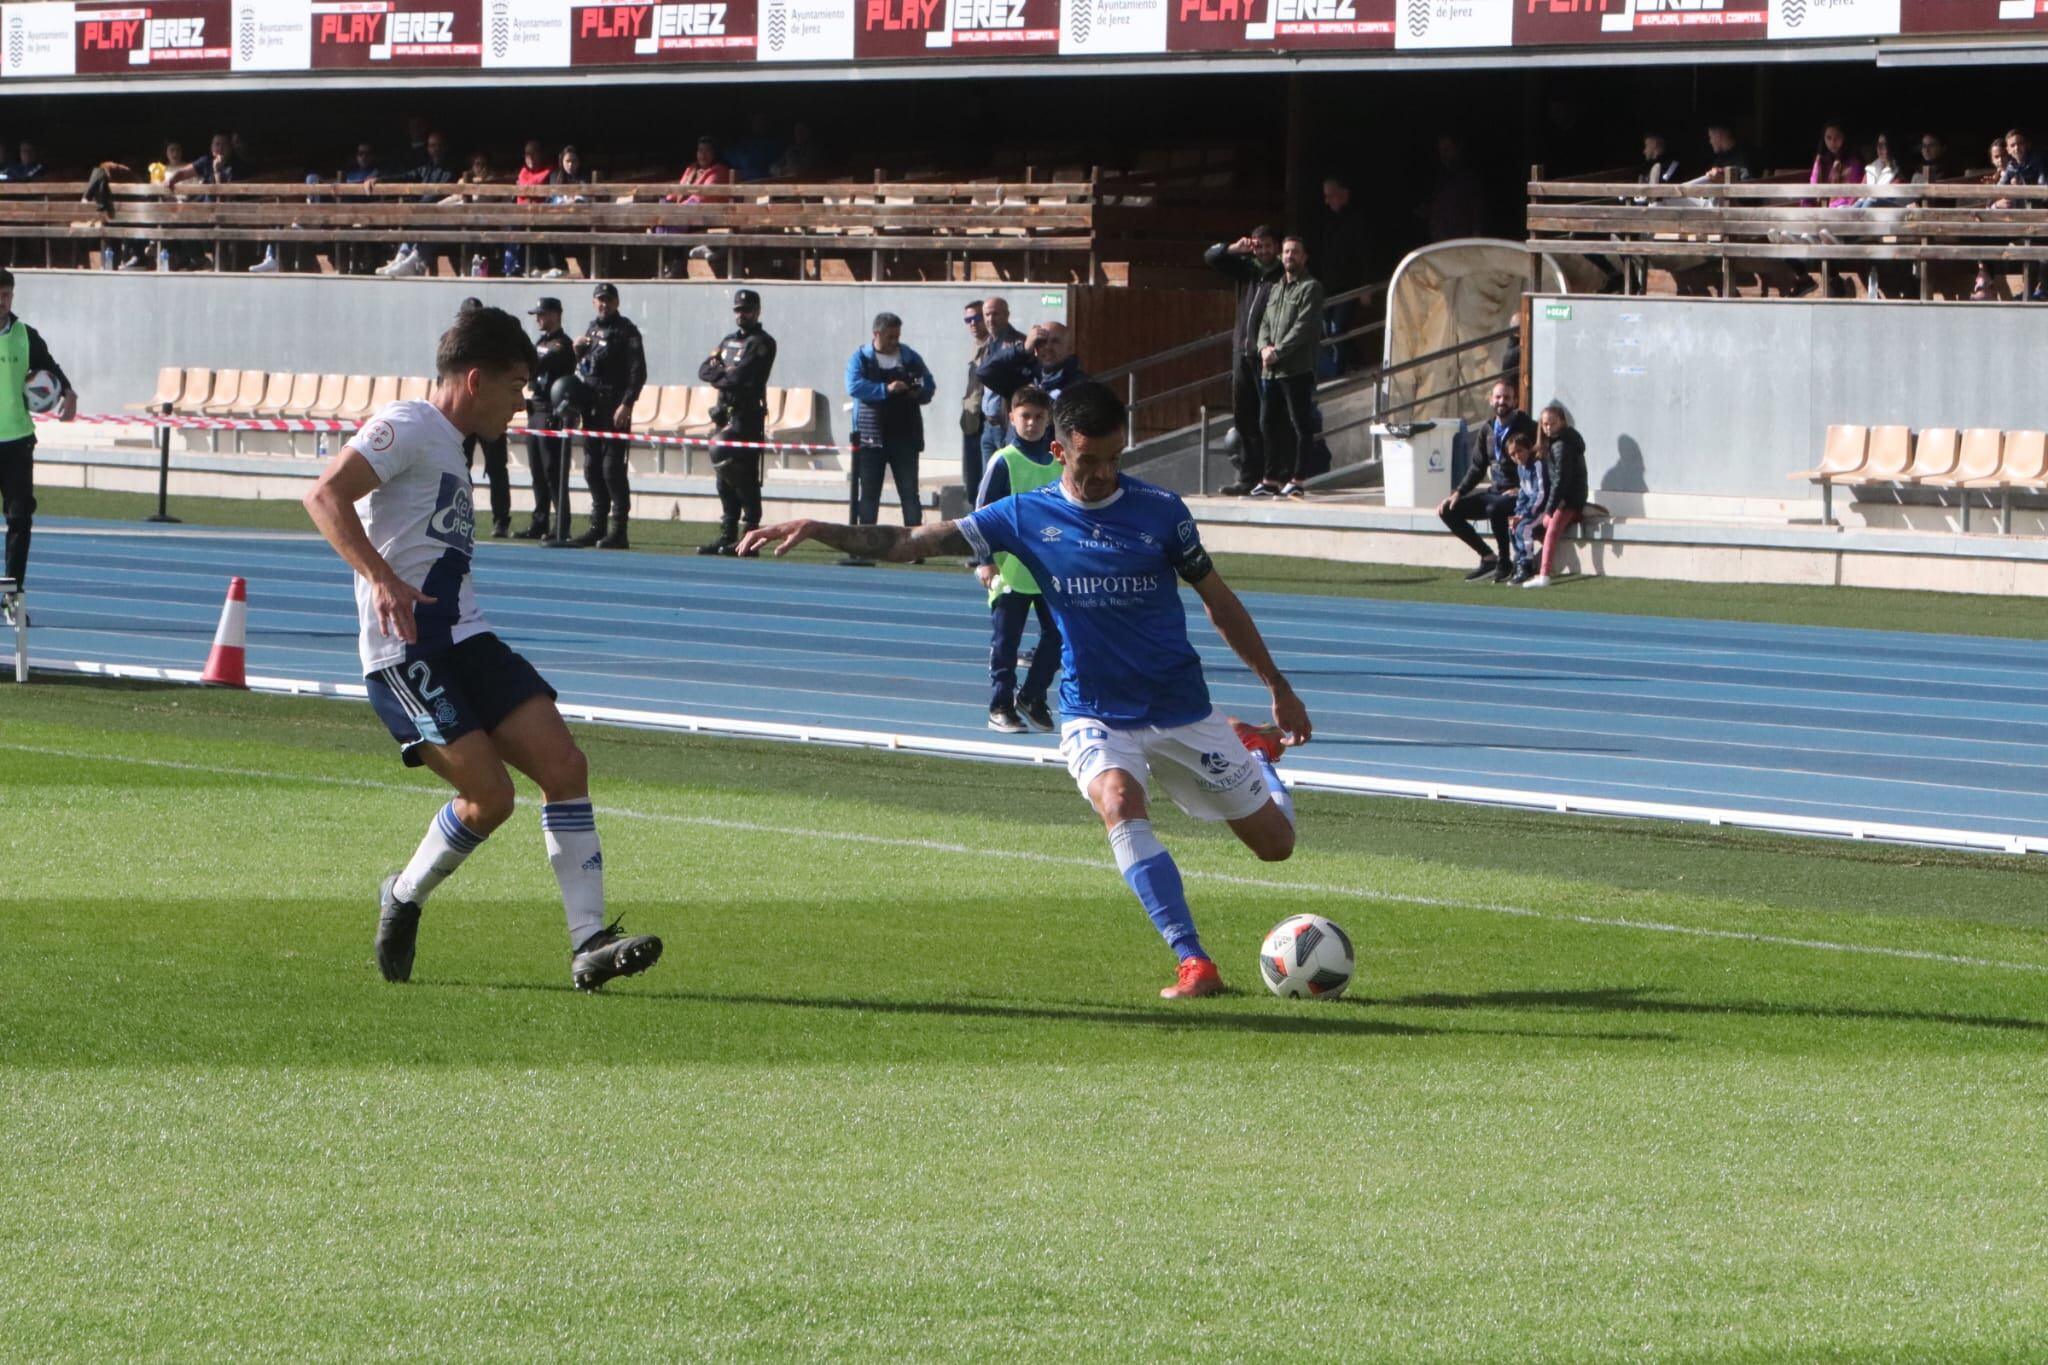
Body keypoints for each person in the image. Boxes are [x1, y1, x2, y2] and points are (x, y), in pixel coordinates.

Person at [737, 382, 1311, 1001]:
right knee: (1118, 801)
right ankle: (1194, 961)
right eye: (1090, 460)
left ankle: (1250, 750)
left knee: (1275, 847)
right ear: (1061, 451)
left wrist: (1277, 686)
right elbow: (910, 542)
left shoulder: (1162, 512)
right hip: (1094, 709)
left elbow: (1218, 600)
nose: (1103, 474)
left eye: (1115, 459)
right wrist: (821, 526)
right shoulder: (1024, 515)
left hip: (1181, 706)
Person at [298, 304, 662, 991]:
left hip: (467, 635)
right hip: (406, 651)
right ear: (474, 380)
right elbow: (324, 495)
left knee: (565, 763)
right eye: (516, 384)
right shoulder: (408, 424)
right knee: (489, 797)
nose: (523, 403)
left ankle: (588, 943)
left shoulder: (450, 442)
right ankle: (403, 895)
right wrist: (380, 578)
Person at [972, 384, 1062, 734]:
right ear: (1012, 417)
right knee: (1006, 642)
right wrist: (984, 559)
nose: (1032, 423)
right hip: (1010, 568)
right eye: (1025, 416)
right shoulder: (1004, 461)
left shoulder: (1058, 461)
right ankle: (1000, 706)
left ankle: (1033, 695)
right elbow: (981, 514)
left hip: (1050, 568)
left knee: (1059, 634)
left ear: (1049, 419)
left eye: (1039, 417)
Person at [0, 267, 76, 627]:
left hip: (16, 443)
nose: (2, 302)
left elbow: (50, 367)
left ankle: (12, 599)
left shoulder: (25, 336)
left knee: (20, 522)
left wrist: (69, 392)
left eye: (7, 295)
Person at [552, 281, 645, 550]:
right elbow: (585, 369)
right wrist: (578, 352)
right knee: (592, 468)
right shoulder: (592, 330)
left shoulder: (626, 331)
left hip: (614, 406)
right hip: (592, 407)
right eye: (599, 300)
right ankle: (597, 526)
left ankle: (619, 530)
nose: (604, 304)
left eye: (608, 299)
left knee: (612, 469)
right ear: (594, 303)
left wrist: (627, 404)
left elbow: (637, 372)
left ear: (616, 302)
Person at [843, 311, 935, 561]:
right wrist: (886, 389)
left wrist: (917, 391)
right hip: (871, 437)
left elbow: (929, 384)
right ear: (877, 334)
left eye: (897, 336)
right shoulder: (861, 358)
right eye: (890, 336)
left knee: (909, 493)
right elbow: (854, 386)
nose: (895, 341)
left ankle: (915, 548)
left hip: (906, 435)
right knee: (869, 494)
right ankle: (865, 547)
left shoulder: (909, 357)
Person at [697, 287, 778, 556]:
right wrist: (723, 372)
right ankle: (727, 533)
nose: (741, 314)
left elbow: (740, 378)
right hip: (724, 415)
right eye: (738, 310)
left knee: (744, 476)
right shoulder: (728, 341)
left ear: (757, 311)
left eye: (746, 310)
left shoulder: (762, 343)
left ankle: (749, 537)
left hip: (747, 417)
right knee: (723, 478)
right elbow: (704, 369)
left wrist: (721, 373)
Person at [1203, 226, 1281, 495]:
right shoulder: (1248, 270)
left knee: (1269, 417)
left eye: (1268, 245)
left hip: (1267, 354)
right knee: (1244, 415)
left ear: (1277, 247)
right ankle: (1248, 477)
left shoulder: (1282, 276)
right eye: (1258, 246)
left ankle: (1273, 477)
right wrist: (1235, 248)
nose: (1262, 250)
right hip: (1242, 351)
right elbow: (1211, 257)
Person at [1251, 236, 1323, 500]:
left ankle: (1298, 479)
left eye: (1294, 252)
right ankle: (1270, 479)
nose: (1289, 256)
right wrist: (1263, 349)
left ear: (1304, 257)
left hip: (1296, 370)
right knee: (1268, 423)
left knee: (1300, 426)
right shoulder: (1275, 288)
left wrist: (1278, 351)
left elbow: (1303, 328)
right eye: (1286, 252)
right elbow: (1264, 324)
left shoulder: (1311, 288)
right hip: (1270, 371)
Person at [1436, 379, 1526, 582]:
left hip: (1518, 494)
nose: (1502, 401)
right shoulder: (1488, 428)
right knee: (1448, 510)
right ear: (1490, 400)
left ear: (1515, 400)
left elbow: (1539, 461)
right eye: (1498, 397)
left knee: (1496, 508)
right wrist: (1458, 493)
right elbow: (1477, 467)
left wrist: (1523, 489)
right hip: (1495, 492)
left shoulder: (1526, 425)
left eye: (1507, 397)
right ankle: (1488, 557)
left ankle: (1505, 561)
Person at [454, 298, 513, 538]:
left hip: (489, 413)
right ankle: (459, 515)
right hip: (465, 417)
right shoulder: (454, 345)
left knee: (497, 469)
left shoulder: (495, 347)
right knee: (458, 468)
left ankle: (501, 521)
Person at [520, 295, 574, 541]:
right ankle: (539, 521)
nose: (539, 319)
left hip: (551, 412)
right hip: (536, 408)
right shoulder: (541, 341)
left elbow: (539, 364)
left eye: (542, 314)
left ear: (555, 315)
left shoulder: (562, 344)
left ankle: (561, 524)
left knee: (553, 471)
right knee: (537, 470)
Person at [1524, 403, 1586, 591]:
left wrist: (1550, 509)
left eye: (1552, 424)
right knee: (1535, 525)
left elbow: (1561, 480)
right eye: (1544, 425)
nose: (1548, 428)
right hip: (1565, 498)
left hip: (1569, 500)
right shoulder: (1554, 443)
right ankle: (1546, 563)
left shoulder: (1561, 445)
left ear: (1562, 422)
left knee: (1550, 528)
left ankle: (1544, 575)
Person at [1313, 180, 1370, 377]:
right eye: (1325, 196)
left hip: (1349, 286)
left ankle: (1341, 372)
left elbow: (1365, 255)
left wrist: (1365, 287)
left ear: (1344, 193)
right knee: (1328, 331)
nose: (1327, 201)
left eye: (1331, 195)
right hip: (1328, 286)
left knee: (1338, 329)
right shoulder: (1327, 220)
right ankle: (1355, 363)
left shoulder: (1357, 220)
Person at [1504, 424, 1547, 586]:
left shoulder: (1537, 465)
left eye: (1520, 451)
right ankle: (1520, 559)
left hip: (1542, 509)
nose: (1517, 456)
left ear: (1528, 449)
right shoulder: (1520, 468)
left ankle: (1527, 564)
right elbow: (1523, 492)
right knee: (1513, 527)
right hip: (1528, 509)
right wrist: (1517, 512)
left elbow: (1540, 493)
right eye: (1513, 454)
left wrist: (1525, 514)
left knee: (1524, 528)